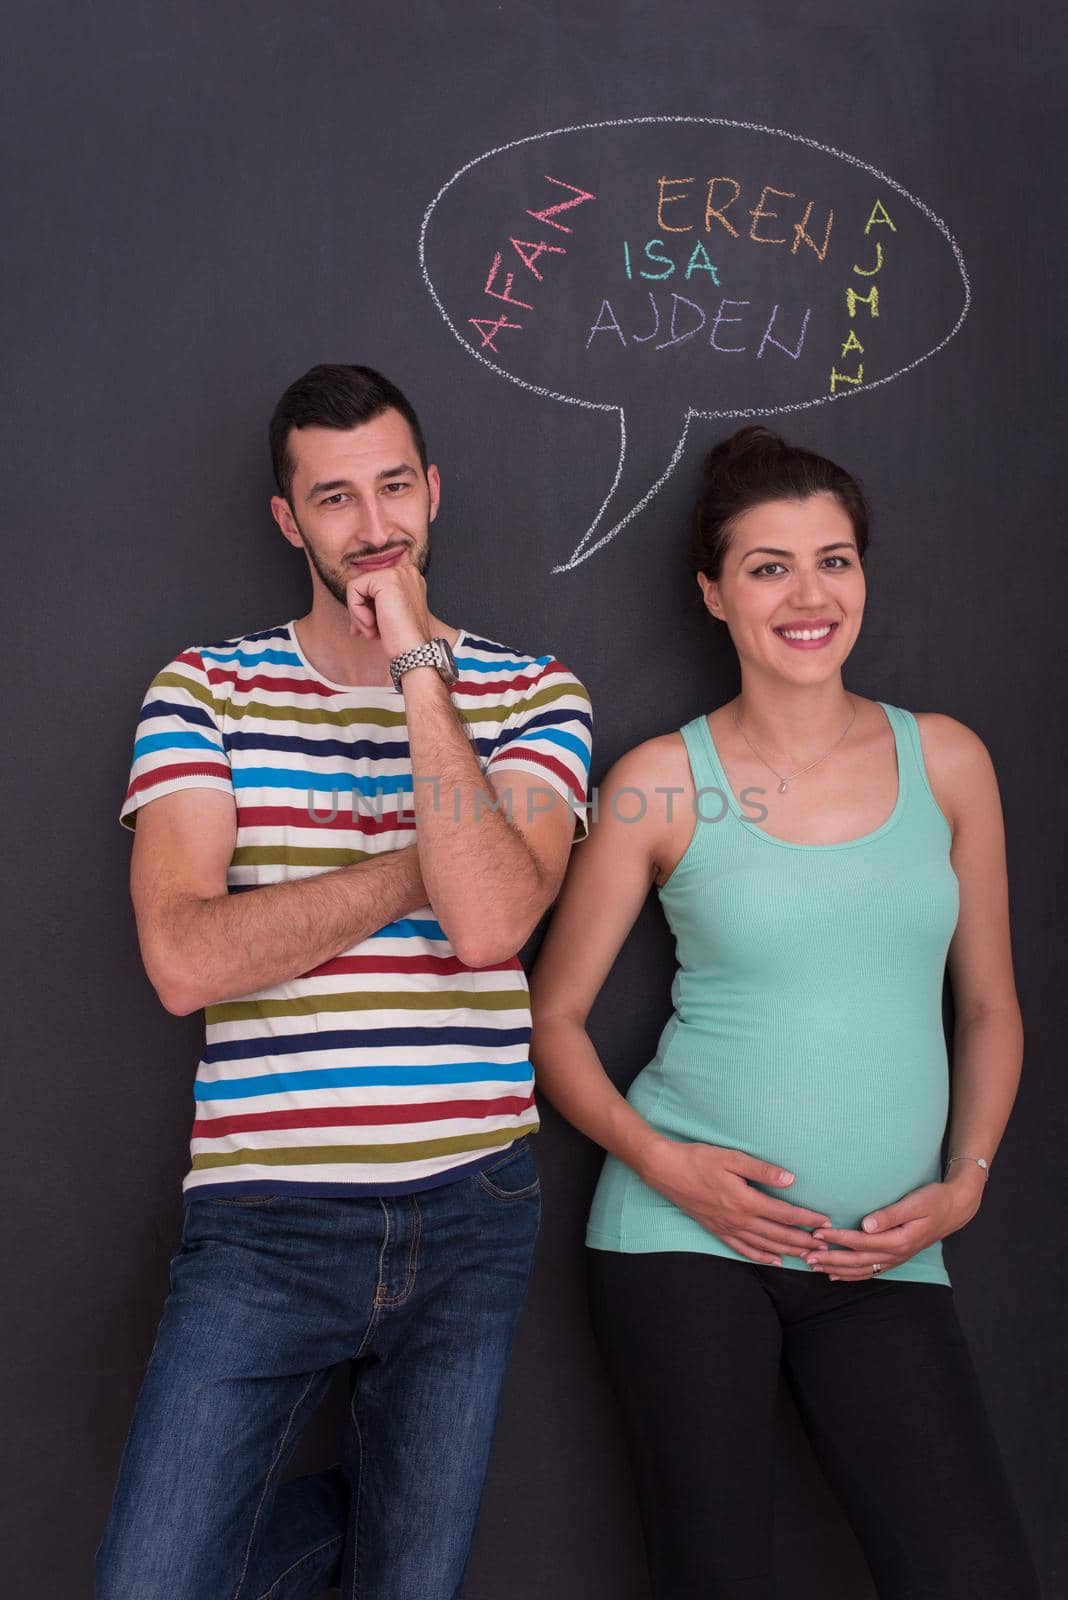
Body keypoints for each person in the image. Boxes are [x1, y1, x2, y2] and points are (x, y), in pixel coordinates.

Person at [96, 363, 592, 1600]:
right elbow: (185, 957)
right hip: (265, 1221)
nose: (374, 530)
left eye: (392, 489)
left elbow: (490, 925)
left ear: (434, 490)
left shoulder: (536, 692)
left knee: (404, 1586)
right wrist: (413, 865)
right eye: (334, 499)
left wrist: (421, 666)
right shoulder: (205, 689)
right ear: (287, 519)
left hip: (472, 1212)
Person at [529, 426, 1039, 1599]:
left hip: (882, 1253)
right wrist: (668, 1163)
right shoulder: (659, 776)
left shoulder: (950, 761)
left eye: (835, 559)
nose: (810, 596)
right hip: (681, 1240)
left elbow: (993, 1005)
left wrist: (966, 1180)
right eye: (769, 566)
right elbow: (552, 1019)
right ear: (713, 592)